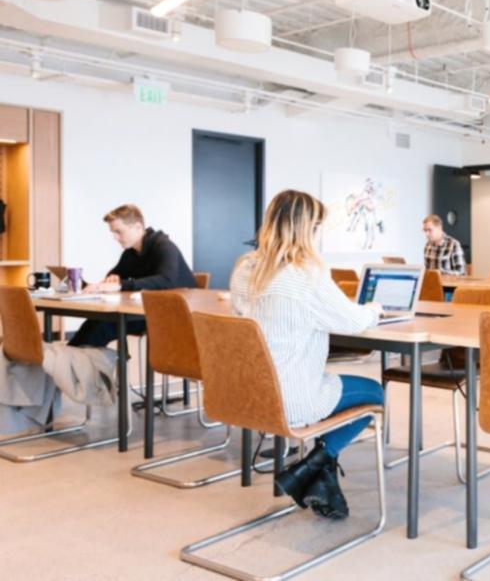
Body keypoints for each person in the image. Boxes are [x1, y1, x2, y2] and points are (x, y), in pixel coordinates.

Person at [230, 190, 383, 520]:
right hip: (293, 399)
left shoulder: (244, 269)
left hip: (248, 394)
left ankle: (316, 472)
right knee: (375, 393)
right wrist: (375, 308)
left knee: (342, 384)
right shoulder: (306, 275)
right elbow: (354, 322)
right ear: (308, 229)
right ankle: (318, 463)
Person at [68, 204, 196, 348]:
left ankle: (72, 364)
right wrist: (113, 277)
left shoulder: (164, 246)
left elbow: (166, 280)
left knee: (104, 324)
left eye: (119, 232)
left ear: (138, 227)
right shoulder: (130, 253)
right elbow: (116, 273)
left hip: (174, 313)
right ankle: (68, 360)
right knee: (95, 321)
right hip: (146, 310)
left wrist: (120, 284)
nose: (115, 238)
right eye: (113, 233)